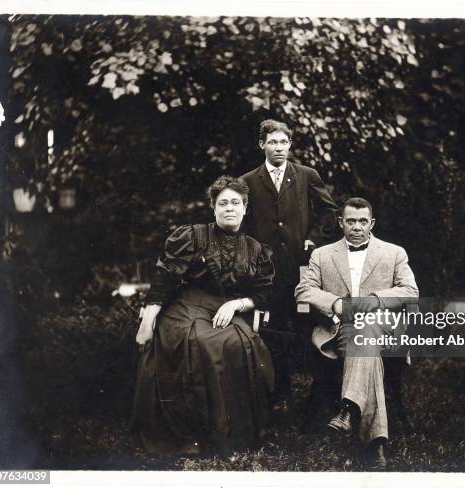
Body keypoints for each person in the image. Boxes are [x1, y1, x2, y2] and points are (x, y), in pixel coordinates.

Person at [131, 176, 275, 457]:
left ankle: (231, 432)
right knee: (199, 340)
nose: (229, 208)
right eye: (223, 203)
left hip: (226, 308)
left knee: (239, 342)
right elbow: (164, 279)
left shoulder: (256, 249)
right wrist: (147, 323)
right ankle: (192, 434)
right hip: (186, 306)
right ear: (213, 208)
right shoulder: (193, 236)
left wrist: (237, 305)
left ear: (245, 208)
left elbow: (266, 293)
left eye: (236, 203)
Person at [294, 197, 418, 470]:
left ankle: (349, 410)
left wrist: (373, 300)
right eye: (351, 221)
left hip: (382, 328)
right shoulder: (322, 255)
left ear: (372, 223)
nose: (357, 227)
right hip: (338, 328)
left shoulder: (394, 252)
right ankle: (375, 444)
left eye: (363, 221)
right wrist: (334, 303)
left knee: (366, 330)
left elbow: (410, 292)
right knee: (365, 341)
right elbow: (304, 290)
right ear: (341, 223)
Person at [240, 119, 338, 408]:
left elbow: (329, 213)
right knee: (271, 330)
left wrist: (314, 238)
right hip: (267, 273)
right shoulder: (247, 181)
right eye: (273, 142)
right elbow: (242, 226)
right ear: (262, 145)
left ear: (290, 144)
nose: (279, 148)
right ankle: (278, 393)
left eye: (284, 142)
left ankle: (319, 399)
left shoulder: (306, 175)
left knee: (309, 326)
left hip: (302, 270)